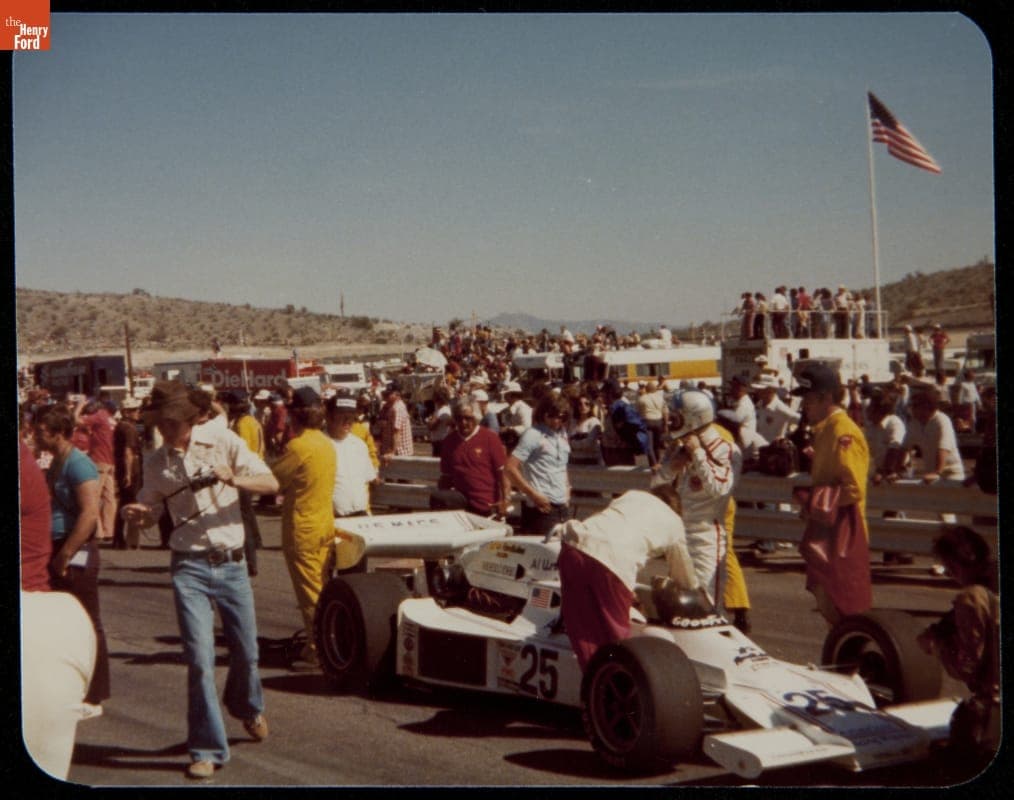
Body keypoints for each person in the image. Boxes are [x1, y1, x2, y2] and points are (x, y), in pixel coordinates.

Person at [121, 381, 277, 778]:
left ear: (190, 419)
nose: (166, 430)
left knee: (246, 652)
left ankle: (247, 706)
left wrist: (234, 479)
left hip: (232, 563)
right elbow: (152, 506)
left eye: (172, 422)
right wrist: (141, 514)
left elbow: (271, 484)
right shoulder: (157, 462)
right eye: (160, 423)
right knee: (200, 661)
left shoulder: (224, 442)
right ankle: (206, 747)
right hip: (188, 566)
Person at [550, 490, 698, 671]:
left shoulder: (632, 495)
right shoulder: (675, 522)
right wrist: (695, 590)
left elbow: (602, 521)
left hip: (573, 545)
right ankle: (617, 682)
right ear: (676, 509)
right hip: (613, 563)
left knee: (582, 629)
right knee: (616, 635)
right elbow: (683, 576)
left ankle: (594, 679)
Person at [33, 406, 110, 711]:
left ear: (58, 433)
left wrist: (65, 554)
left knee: (88, 620)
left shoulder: (79, 465)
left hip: (74, 548)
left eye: (41, 430)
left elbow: (89, 514)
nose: (37, 435)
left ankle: (95, 689)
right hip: (57, 546)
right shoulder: (55, 463)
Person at [791, 364, 871, 624]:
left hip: (844, 534)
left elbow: (853, 489)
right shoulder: (825, 430)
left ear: (826, 397)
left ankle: (851, 662)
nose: (804, 406)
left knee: (846, 610)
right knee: (828, 605)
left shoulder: (842, 432)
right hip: (827, 532)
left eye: (809, 399)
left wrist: (812, 500)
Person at [916, 527, 999, 767]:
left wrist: (939, 644)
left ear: (955, 564)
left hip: (996, 701)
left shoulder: (971, 599)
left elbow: (968, 665)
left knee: (964, 723)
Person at [270, 386, 336, 671]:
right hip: (324, 524)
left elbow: (273, 480)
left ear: (296, 415)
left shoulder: (298, 447)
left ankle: (318, 650)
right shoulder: (325, 443)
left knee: (311, 595)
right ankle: (325, 643)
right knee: (320, 588)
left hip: (303, 528)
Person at [657, 390, 738, 612]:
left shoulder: (725, 448)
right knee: (679, 604)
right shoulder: (678, 448)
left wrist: (698, 454)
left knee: (706, 604)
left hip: (706, 539)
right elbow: (656, 487)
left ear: (693, 417)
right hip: (679, 536)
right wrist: (671, 468)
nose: (672, 420)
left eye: (676, 415)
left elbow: (719, 489)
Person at [505, 394, 572, 537]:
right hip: (541, 508)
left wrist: (567, 489)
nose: (556, 421)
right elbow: (510, 468)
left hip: (562, 505)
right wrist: (533, 495)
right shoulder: (533, 434)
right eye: (552, 416)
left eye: (561, 417)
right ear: (543, 413)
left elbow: (562, 465)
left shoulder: (562, 434)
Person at [433, 398, 511, 517]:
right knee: (438, 498)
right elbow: (446, 478)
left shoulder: (490, 438)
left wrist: (505, 501)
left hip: (487, 503)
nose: (463, 422)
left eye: (468, 418)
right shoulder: (449, 441)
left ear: (476, 418)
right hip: (461, 501)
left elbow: (503, 473)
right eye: (459, 418)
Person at [220, 390, 265, 576]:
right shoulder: (251, 421)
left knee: (242, 519)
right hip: (251, 472)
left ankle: (249, 560)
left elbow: (241, 451)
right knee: (247, 515)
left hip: (244, 475)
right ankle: (254, 546)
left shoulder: (242, 424)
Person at [325, 394, 379, 518]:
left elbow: (366, 482)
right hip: (332, 519)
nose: (347, 421)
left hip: (361, 515)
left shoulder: (359, 445)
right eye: (341, 415)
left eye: (351, 416)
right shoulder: (320, 444)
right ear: (329, 416)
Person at [74, 397, 117, 541]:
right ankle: (108, 530)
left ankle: (97, 531)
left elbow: (76, 420)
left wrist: (79, 406)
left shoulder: (99, 416)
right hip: (110, 460)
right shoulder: (110, 419)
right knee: (109, 497)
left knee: (94, 496)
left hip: (98, 459)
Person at [903, 390, 965, 486]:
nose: (912, 409)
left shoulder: (942, 421)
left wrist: (937, 472)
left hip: (951, 474)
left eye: (915, 406)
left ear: (926, 407)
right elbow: (904, 448)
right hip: (930, 476)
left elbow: (943, 448)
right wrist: (896, 470)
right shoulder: (913, 423)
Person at [600, 379, 655, 468]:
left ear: (609, 393)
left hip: (620, 452)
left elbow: (630, 427)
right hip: (615, 451)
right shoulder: (615, 407)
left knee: (621, 478)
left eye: (603, 393)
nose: (602, 396)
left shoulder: (618, 408)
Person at [112, 396, 144, 549]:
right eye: (134, 410)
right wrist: (129, 473)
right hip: (131, 469)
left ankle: (119, 536)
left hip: (124, 467)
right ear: (126, 412)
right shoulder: (128, 428)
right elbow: (128, 452)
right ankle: (128, 539)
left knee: (124, 503)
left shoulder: (121, 426)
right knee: (131, 503)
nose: (137, 412)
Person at [752, 375, 800, 444]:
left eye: (761, 390)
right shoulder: (758, 405)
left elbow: (801, 420)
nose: (758, 392)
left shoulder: (780, 408)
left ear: (771, 390)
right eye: (758, 390)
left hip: (772, 450)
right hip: (757, 447)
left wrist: (789, 438)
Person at [379, 383, 413, 466]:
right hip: (390, 448)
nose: (387, 395)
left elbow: (396, 432)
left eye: (389, 394)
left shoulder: (397, 408)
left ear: (397, 394)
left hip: (400, 451)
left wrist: (392, 452)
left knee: (402, 477)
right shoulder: (389, 406)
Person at [636, 380, 668, 463]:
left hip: (647, 422)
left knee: (649, 446)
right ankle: (659, 462)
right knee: (657, 446)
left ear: (646, 389)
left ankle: (653, 465)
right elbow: (665, 412)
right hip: (659, 421)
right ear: (655, 389)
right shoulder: (660, 398)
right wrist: (665, 425)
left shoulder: (642, 399)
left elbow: (638, 412)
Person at [567, 392, 603, 466]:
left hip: (590, 461)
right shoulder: (573, 422)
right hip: (574, 460)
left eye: (587, 404)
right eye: (580, 404)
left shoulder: (594, 422)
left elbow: (588, 443)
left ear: (591, 406)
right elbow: (567, 439)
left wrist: (573, 443)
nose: (583, 406)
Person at [426, 385, 453, 457]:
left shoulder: (443, 411)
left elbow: (431, 426)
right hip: (438, 441)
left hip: (441, 442)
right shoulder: (441, 409)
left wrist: (429, 420)